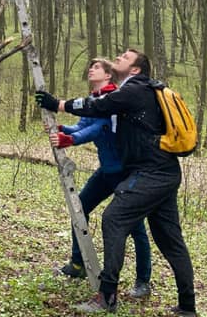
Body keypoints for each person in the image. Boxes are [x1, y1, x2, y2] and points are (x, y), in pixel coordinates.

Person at [36, 49, 198, 316]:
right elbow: (97, 113)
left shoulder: (134, 90)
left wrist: (58, 104)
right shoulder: (136, 92)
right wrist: (67, 128)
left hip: (152, 173)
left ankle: (108, 295)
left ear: (135, 70)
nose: (119, 58)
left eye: (125, 57)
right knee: (169, 239)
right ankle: (187, 306)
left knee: (114, 218)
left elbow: (97, 107)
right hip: (163, 172)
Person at [50, 57, 153, 300]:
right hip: (106, 171)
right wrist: (64, 130)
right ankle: (78, 264)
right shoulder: (94, 101)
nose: (90, 70)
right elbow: (84, 125)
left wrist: (71, 140)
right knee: (80, 208)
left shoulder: (113, 98)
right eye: (91, 67)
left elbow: (99, 129)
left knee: (135, 226)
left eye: (96, 67)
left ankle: (143, 281)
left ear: (108, 75)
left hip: (124, 172)